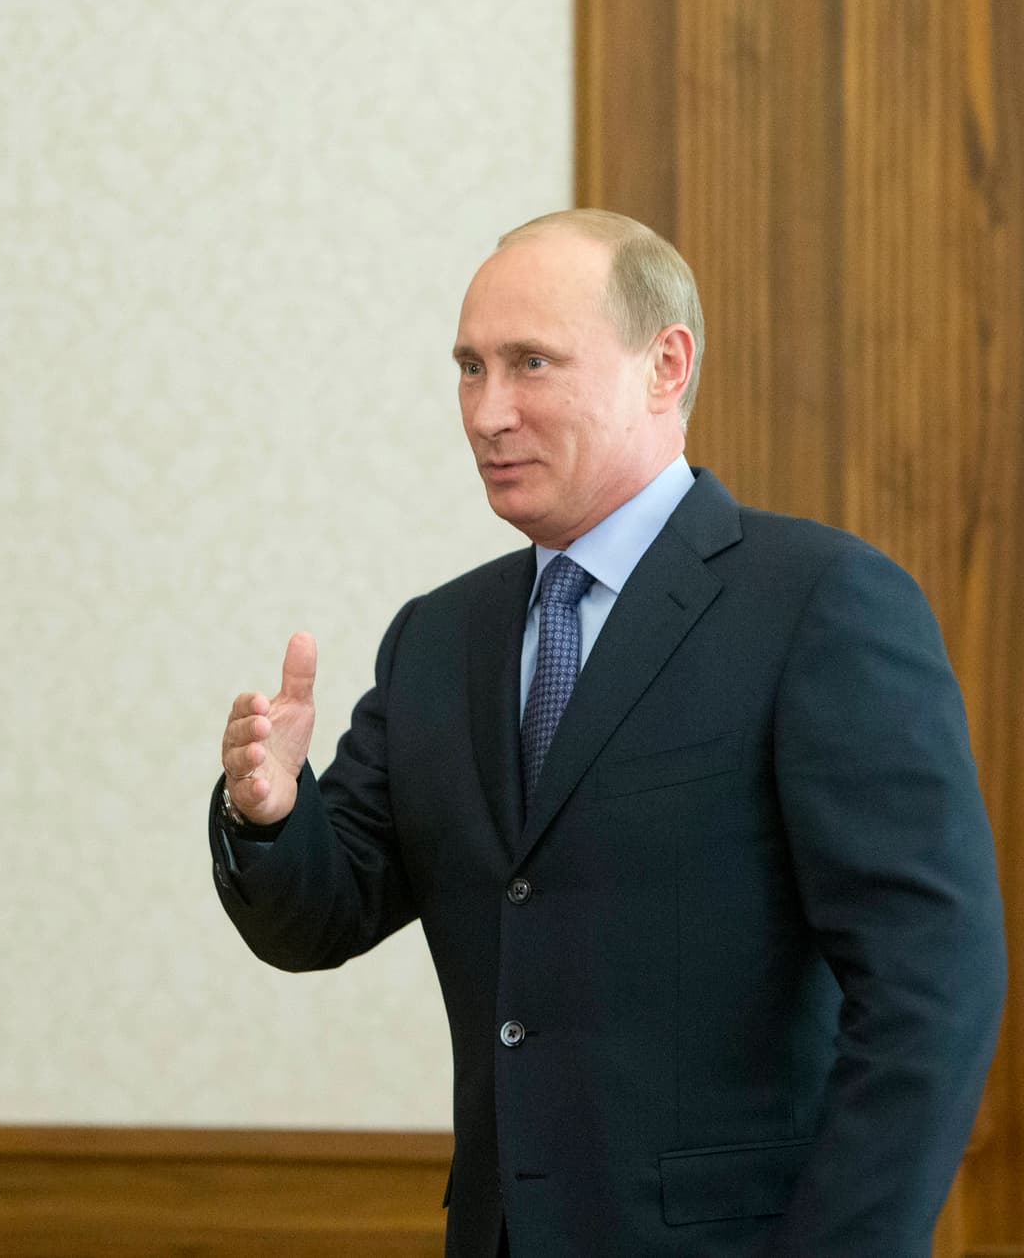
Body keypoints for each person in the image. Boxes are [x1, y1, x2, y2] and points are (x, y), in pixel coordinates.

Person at [211, 209, 1005, 1258]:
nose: (488, 412)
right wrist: (269, 812)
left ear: (665, 364)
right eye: (469, 366)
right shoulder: (438, 637)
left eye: (531, 362)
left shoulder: (820, 603)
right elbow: (321, 914)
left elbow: (931, 991)